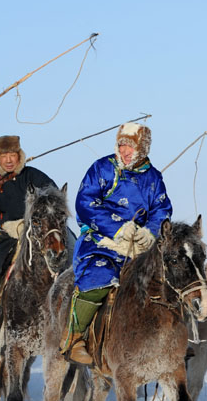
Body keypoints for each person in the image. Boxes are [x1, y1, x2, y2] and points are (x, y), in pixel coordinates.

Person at [59, 123, 172, 365]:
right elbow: (85, 203)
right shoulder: (102, 168)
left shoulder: (153, 178)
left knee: (170, 277)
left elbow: (161, 210)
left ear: (142, 149)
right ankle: (75, 338)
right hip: (101, 241)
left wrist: (150, 233)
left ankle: (171, 338)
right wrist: (118, 228)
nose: (125, 151)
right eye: (122, 145)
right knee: (98, 278)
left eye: (131, 147)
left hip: (138, 248)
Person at [0, 136, 56, 328]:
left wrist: (39, 221)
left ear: (19, 156)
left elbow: (53, 196)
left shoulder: (34, 176)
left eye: (12, 155)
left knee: (61, 254)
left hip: (38, 230)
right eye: (3, 156)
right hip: (10, 233)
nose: (8, 160)